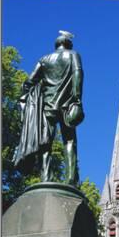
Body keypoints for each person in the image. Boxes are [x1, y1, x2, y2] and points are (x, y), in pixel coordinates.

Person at [12, 30, 84, 186]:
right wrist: (77, 99)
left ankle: (45, 178)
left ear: (57, 44)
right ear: (68, 44)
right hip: (67, 106)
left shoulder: (44, 60)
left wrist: (29, 97)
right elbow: (78, 74)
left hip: (47, 107)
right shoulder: (73, 55)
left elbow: (29, 81)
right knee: (70, 141)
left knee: (45, 143)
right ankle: (71, 179)